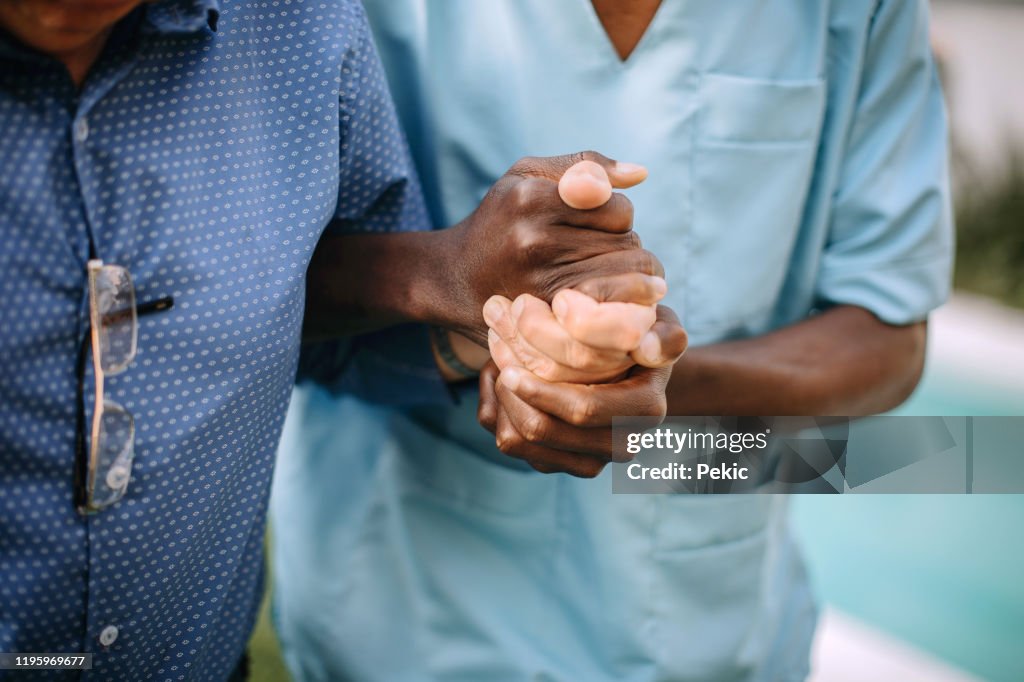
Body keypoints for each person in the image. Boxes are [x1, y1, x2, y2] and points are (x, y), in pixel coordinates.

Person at [270, 0, 955, 680]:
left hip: (719, 623)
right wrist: (455, 293)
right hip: (401, 623)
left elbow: (890, 339)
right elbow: (239, 285)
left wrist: (629, 384)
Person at [0, 1, 684, 679]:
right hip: (394, 611)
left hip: (723, 583)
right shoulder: (336, 20)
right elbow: (298, 284)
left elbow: (796, 433)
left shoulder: (793, 25)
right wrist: (512, 344)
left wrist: (623, 398)